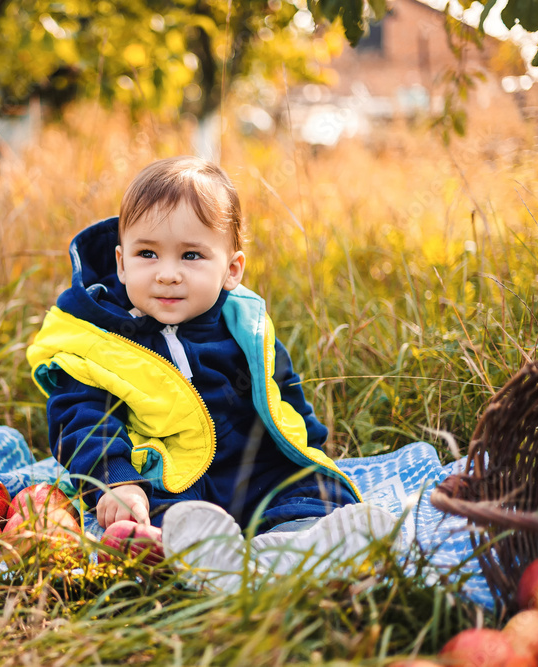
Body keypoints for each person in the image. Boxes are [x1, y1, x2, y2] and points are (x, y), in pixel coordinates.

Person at [26, 156, 394, 587]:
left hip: (257, 471)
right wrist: (116, 480)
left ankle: (294, 544)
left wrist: (308, 446)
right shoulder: (100, 342)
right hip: (168, 475)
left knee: (311, 491)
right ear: (122, 263)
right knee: (162, 517)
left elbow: (283, 391)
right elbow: (82, 418)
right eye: (148, 253)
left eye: (191, 255)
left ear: (231, 270)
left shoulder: (245, 325)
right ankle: (202, 558)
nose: (167, 274)